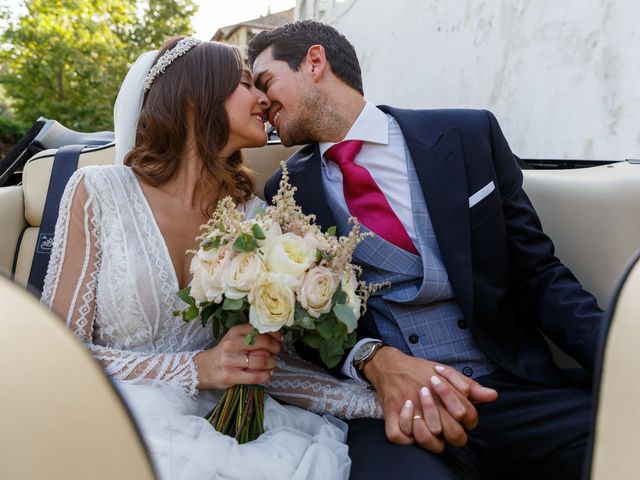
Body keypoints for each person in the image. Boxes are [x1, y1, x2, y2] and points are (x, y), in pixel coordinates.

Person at [248, 20, 604, 480]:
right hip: (393, 413)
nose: (260, 100)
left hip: (513, 388)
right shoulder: (287, 192)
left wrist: (620, 360)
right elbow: (310, 332)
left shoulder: (467, 133)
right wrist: (371, 359)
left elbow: (539, 275)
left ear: (315, 62)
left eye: (265, 81)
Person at [41, 36, 382, 480]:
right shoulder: (97, 193)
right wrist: (194, 368)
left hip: (225, 431)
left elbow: (262, 362)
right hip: (105, 414)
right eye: (244, 83)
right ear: (190, 99)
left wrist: (373, 400)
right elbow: (57, 354)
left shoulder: (257, 219)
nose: (264, 97)